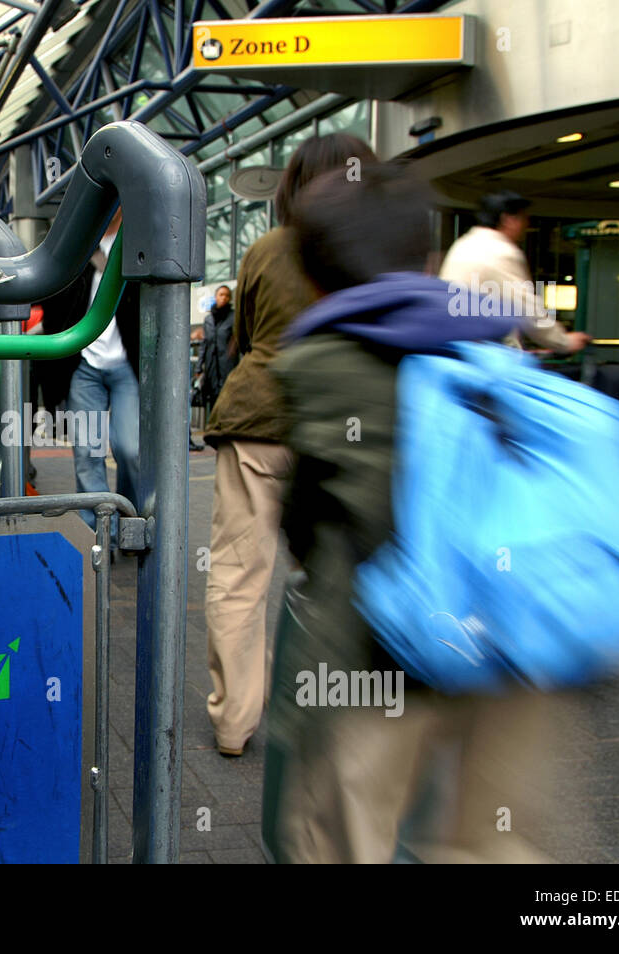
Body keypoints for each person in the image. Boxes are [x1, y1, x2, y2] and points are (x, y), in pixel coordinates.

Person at [264, 162, 558, 863]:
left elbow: (304, 518)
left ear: (312, 279)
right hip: (512, 652)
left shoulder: (321, 359)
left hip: (380, 657)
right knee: (487, 839)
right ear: (425, 257)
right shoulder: (487, 340)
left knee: (337, 836)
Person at [201, 133, 375, 758]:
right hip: (341, 426)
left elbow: (243, 339)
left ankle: (234, 722)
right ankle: (333, 715)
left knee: (239, 575)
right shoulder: (373, 250)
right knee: (336, 576)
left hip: (256, 420)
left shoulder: (267, 248)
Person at [33, 211, 140, 537]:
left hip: (127, 363)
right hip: (84, 365)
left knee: (130, 449)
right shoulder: (78, 244)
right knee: (88, 452)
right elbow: (53, 296)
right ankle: (98, 534)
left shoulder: (139, 239)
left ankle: (128, 523)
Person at [439, 190, 589, 354]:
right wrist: (564, 341)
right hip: (483, 354)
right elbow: (527, 309)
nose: (527, 224)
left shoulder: (463, 245)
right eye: (524, 218)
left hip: (456, 348)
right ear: (508, 220)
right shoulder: (500, 251)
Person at [199, 285, 236, 406]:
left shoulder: (233, 317)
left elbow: (237, 342)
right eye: (221, 295)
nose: (224, 298)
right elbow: (204, 344)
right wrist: (199, 367)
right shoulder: (208, 319)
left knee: (227, 400)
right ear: (216, 297)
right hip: (211, 368)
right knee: (212, 401)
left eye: (227, 295)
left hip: (227, 367)